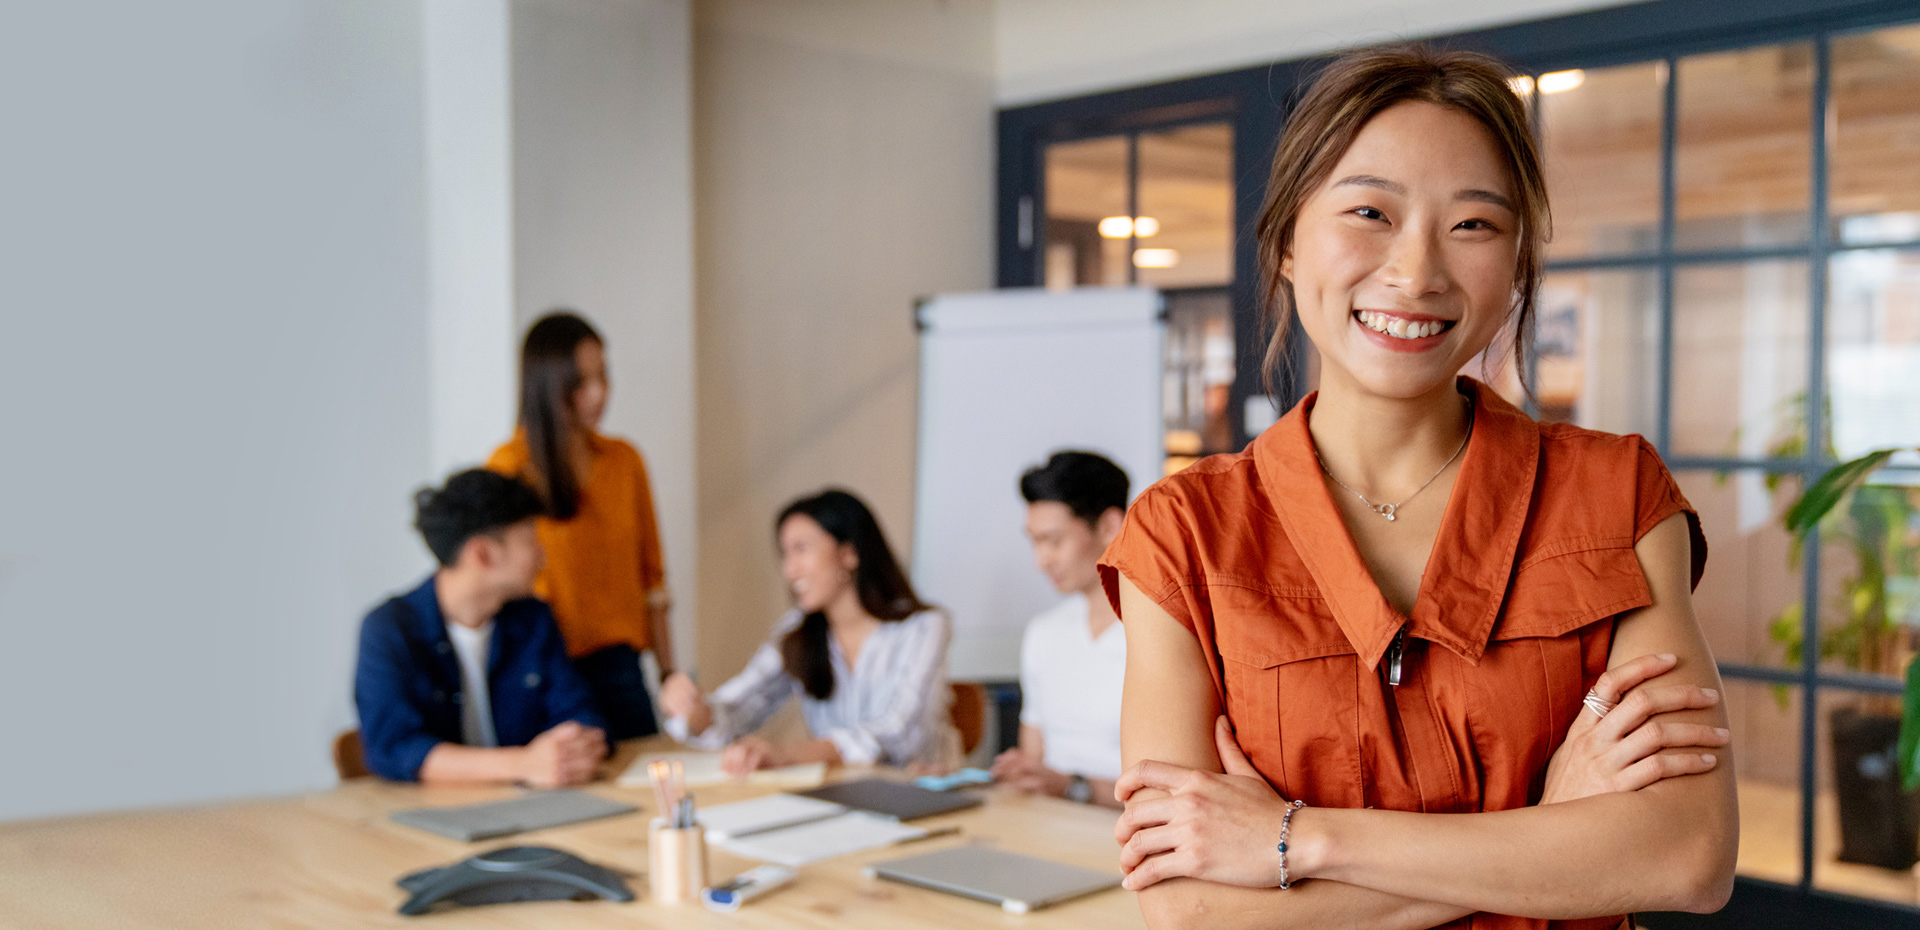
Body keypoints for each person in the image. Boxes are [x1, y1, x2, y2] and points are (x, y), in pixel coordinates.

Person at [1102, 46, 1737, 930]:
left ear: (1517, 262)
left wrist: (1298, 841)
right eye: (1370, 211)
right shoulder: (1183, 536)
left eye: (1474, 225)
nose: (1418, 271)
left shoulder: (1617, 493)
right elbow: (1191, 912)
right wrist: (1555, 831)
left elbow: (1685, 857)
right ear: (1287, 239)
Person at [657, 489, 960, 775]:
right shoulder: (797, 632)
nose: (790, 570)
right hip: (836, 799)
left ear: (849, 554)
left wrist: (790, 754)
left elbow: (900, 732)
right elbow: (737, 709)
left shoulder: (923, 627)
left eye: (801, 549)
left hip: (916, 796)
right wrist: (694, 710)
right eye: (785, 554)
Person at [488, 312, 673, 742]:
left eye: (603, 377)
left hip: (620, 668)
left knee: (643, 786)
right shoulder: (510, 467)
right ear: (545, 385)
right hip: (542, 670)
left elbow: (654, 581)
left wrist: (669, 674)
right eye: (580, 383)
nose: (598, 395)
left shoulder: (625, 461)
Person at [355, 469, 607, 785]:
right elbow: (394, 748)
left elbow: (578, 712)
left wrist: (576, 747)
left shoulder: (534, 620)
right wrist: (523, 765)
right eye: (530, 539)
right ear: (483, 554)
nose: (542, 556)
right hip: (431, 815)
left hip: (536, 808)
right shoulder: (389, 629)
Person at [991, 451, 1129, 809]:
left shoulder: (1158, 635)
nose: (1041, 561)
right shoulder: (1044, 633)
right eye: (1034, 542)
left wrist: (1073, 787)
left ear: (1109, 527)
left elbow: (1175, 797)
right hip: (1044, 827)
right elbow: (1033, 763)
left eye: (1054, 541)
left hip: (1127, 841)